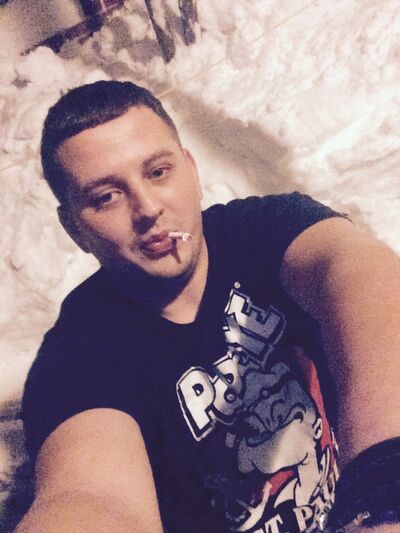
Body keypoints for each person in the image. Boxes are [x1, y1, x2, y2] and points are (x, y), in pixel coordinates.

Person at [15, 81, 400, 533]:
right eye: (106, 197)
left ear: (192, 171)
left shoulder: (265, 231)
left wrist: (382, 490)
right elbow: (90, 496)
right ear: (73, 228)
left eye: (158, 172)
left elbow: (362, 276)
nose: (148, 208)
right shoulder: (77, 356)